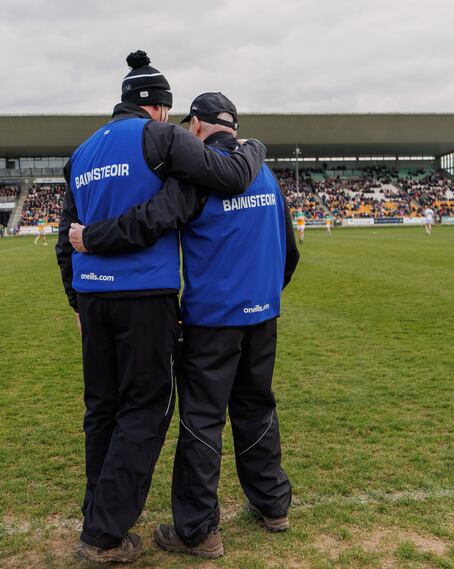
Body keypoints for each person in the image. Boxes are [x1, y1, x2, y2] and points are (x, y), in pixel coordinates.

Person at [69, 92, 299, 559]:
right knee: (257, 407)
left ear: (195, 126)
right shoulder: (266, 174)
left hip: (211, 319)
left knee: (202, 421)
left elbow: (153, 219)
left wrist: (91, 237)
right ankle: (273, 504)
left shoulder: (198, 176)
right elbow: (289, 250)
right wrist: (264, 296)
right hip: (262, 315)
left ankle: (198, 531)